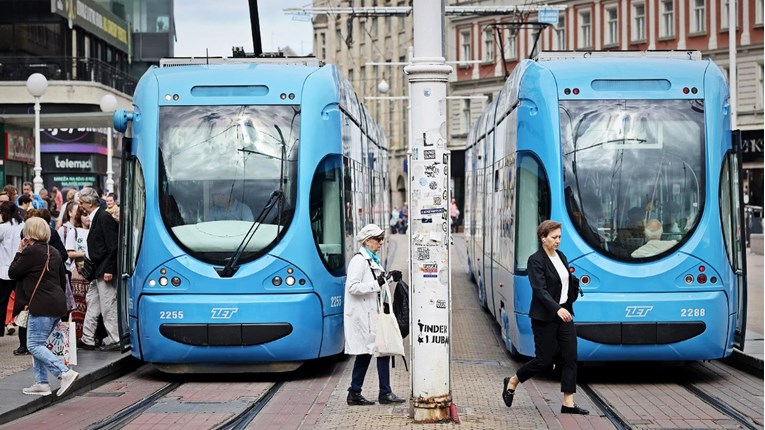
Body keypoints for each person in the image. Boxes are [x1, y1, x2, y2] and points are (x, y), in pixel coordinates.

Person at [502, 220, 588, 415]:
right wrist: (557, 308)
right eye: (554, 237)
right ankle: (513, 381)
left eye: (559, 237)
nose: (558, 241)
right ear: (543, 238)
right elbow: (539, 290)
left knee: (570, 356)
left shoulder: (562, 256)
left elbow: (563, 283)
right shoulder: (535, 260)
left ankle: (568, 403)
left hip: (565, 314)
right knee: (543, 360)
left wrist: (565, 305)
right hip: (545, 317)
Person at [9, 217, 79, 396]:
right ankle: (41, 383)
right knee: (38, 344)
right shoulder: (53, 251)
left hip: (41, 304)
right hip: (56, 303)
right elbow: (62, 279)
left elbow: (13, 272)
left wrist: (19, 251)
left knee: (33, 345)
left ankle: (64, 373)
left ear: (29, 232)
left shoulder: (31, 252)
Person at [344, 224, 405, 406]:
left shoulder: (372, 259)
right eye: (378, 240)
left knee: (374, 351)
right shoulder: (359, 261)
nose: (380, 243)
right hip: (363, 316)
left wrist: (390, 277)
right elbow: (353, 287)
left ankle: (360, 392)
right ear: (367, 241)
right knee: (375, 351)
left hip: (373, 314)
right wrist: (376, 283)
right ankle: (377, 393)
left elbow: (376, 282)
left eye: (381, 239)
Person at [77, 187, 120, 351]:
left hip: (103, 269)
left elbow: (112, 246)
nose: (81, 205)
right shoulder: (100, 217)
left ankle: (116, 339)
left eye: (82, 202)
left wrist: (109, 269)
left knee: (107, 305)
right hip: (99, 269)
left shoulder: (103, 218)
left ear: (88, 203)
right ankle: (87, 338)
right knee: (93, 302)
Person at [0, 202, 23, 342]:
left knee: (1, 302)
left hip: (4, 270)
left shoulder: (3, 227)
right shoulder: (23, 225)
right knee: (22, 303)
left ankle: (0, 330)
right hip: (20, 270)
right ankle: (23, 333)